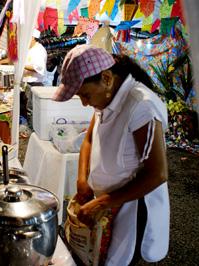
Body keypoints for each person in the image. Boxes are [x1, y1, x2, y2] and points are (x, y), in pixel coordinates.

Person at [53, 45, 169, 265]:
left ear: (106, 78)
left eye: (85, 95)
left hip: (131, 206)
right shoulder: (108, 97)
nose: (85, 103)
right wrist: (82, 179)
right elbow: (88, 140)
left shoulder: (142, 106)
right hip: (107, 201)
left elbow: (157, 174)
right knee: (98, 256)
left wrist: (101, 203)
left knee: (119, 259)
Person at [21, 28, 47, 127]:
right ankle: (28, 127)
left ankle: (32, 130)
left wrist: (21, 65)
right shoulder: (30, 49)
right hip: (27, 83)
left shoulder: (39, 50)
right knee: (28, 108)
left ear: (32, 38)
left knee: (32, 110)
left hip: (34, 84)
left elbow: (38, 68)